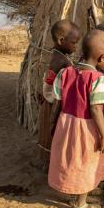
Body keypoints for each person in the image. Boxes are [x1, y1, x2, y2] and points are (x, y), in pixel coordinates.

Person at [48, 29, 104, 208]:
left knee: (70, 160)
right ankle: (80, 205)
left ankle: (74, 193)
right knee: (85, 163)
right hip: (86, 129)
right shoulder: (97, 79)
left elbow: (57, 103)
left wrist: (53, 125)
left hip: (65, 124)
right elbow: (95, 109)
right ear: (102, 57)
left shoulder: (65, 72)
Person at [38, 19, 81, 170]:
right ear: (61, 40)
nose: (76, 47)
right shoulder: (61, 60)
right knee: (54, 135)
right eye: (74, 43)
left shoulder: (57, 54)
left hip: (51, 101)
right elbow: (53, 83)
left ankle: (49, 165)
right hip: (54, 104)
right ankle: (52, 167)